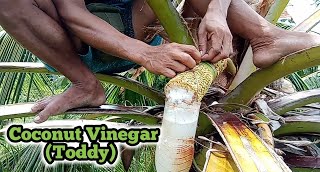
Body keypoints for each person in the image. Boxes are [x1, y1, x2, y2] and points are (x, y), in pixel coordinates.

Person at [0, 0, 319, 123]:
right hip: (71, 44)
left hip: (137, 24)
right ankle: (85, 84)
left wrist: (218, 14)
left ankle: (264, 36)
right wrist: (146, 55)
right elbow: (73, 14)